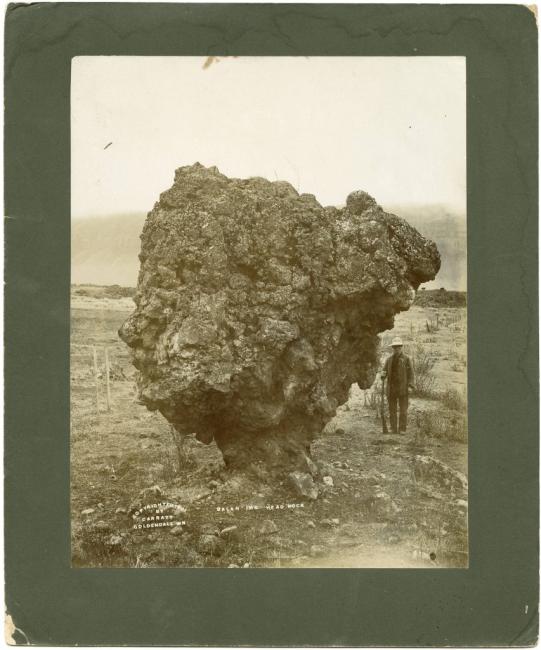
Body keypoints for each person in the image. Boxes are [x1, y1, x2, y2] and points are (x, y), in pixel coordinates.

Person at [381, 337, 415, 435]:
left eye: (398, 347)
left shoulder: (407, 359)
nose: (397, 349)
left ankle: (402, 429)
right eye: (395, 347)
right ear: (393, 348)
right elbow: (384, 371)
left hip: (403, 389)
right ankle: (393, 428)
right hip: (391, 389)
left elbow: (411, 374)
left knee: (403, 410)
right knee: (392, 410)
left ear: (401, 347)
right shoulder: (389, 360)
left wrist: (410, 386)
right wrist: (383, 375)